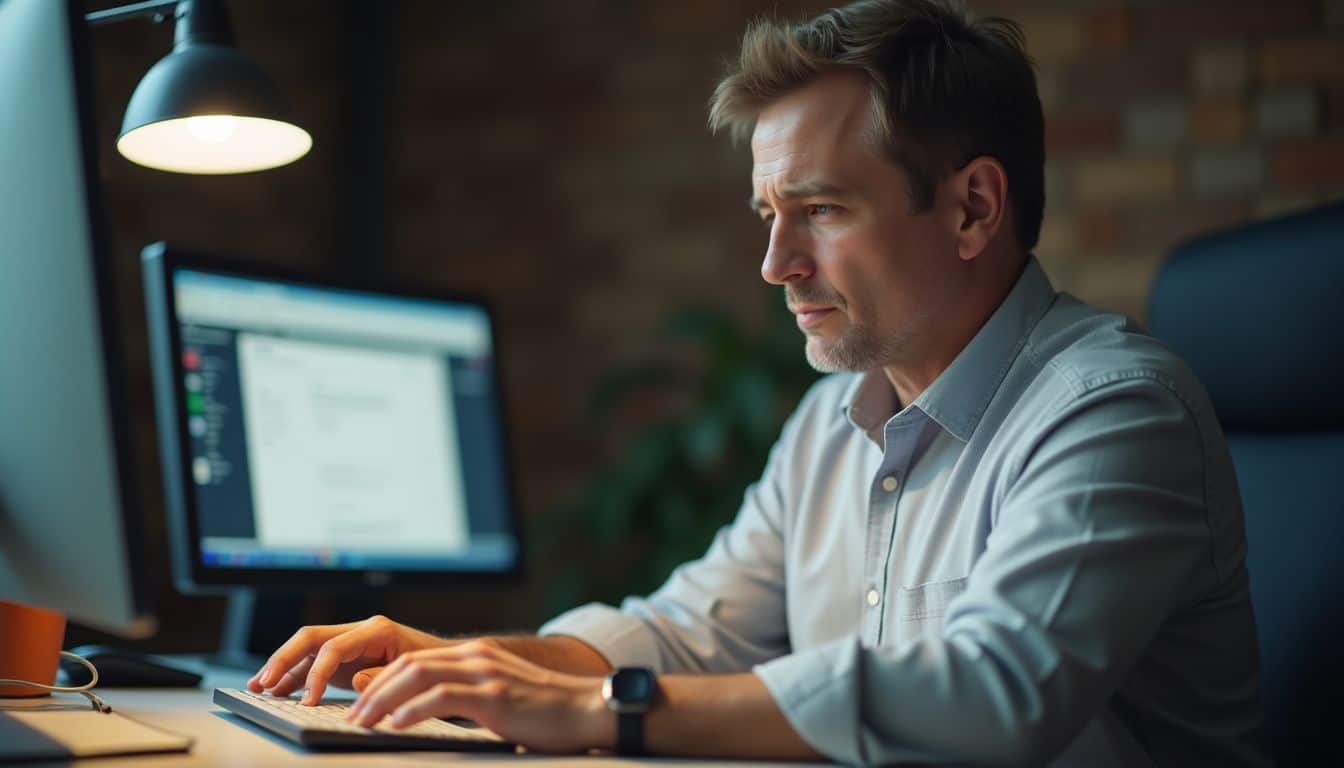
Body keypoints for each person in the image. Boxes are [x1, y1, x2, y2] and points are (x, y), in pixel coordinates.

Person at [248, 1, 1271, 764]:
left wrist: (600, 711)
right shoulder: (833, 421)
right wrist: (479, 667)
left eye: (819, 210)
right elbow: (692, 631)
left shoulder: (1115, 410)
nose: (776, 264)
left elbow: (993, 694)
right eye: (767, 215)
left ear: (971, 209)